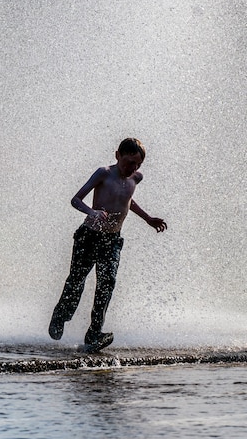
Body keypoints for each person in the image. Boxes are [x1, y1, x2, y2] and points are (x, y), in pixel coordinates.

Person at [49, 138, 167, 351]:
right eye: (128, 162)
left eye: (137, 165)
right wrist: (92, 212)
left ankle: (94, 334)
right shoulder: (103, 173)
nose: (132, 168)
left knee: (107, 283)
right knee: (77, 280)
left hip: (112, 240)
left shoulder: (136, 178)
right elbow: (76, 199)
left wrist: (148, 219)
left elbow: (127, 200)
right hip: (89, 236)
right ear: (117, 156)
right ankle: (61, 316)